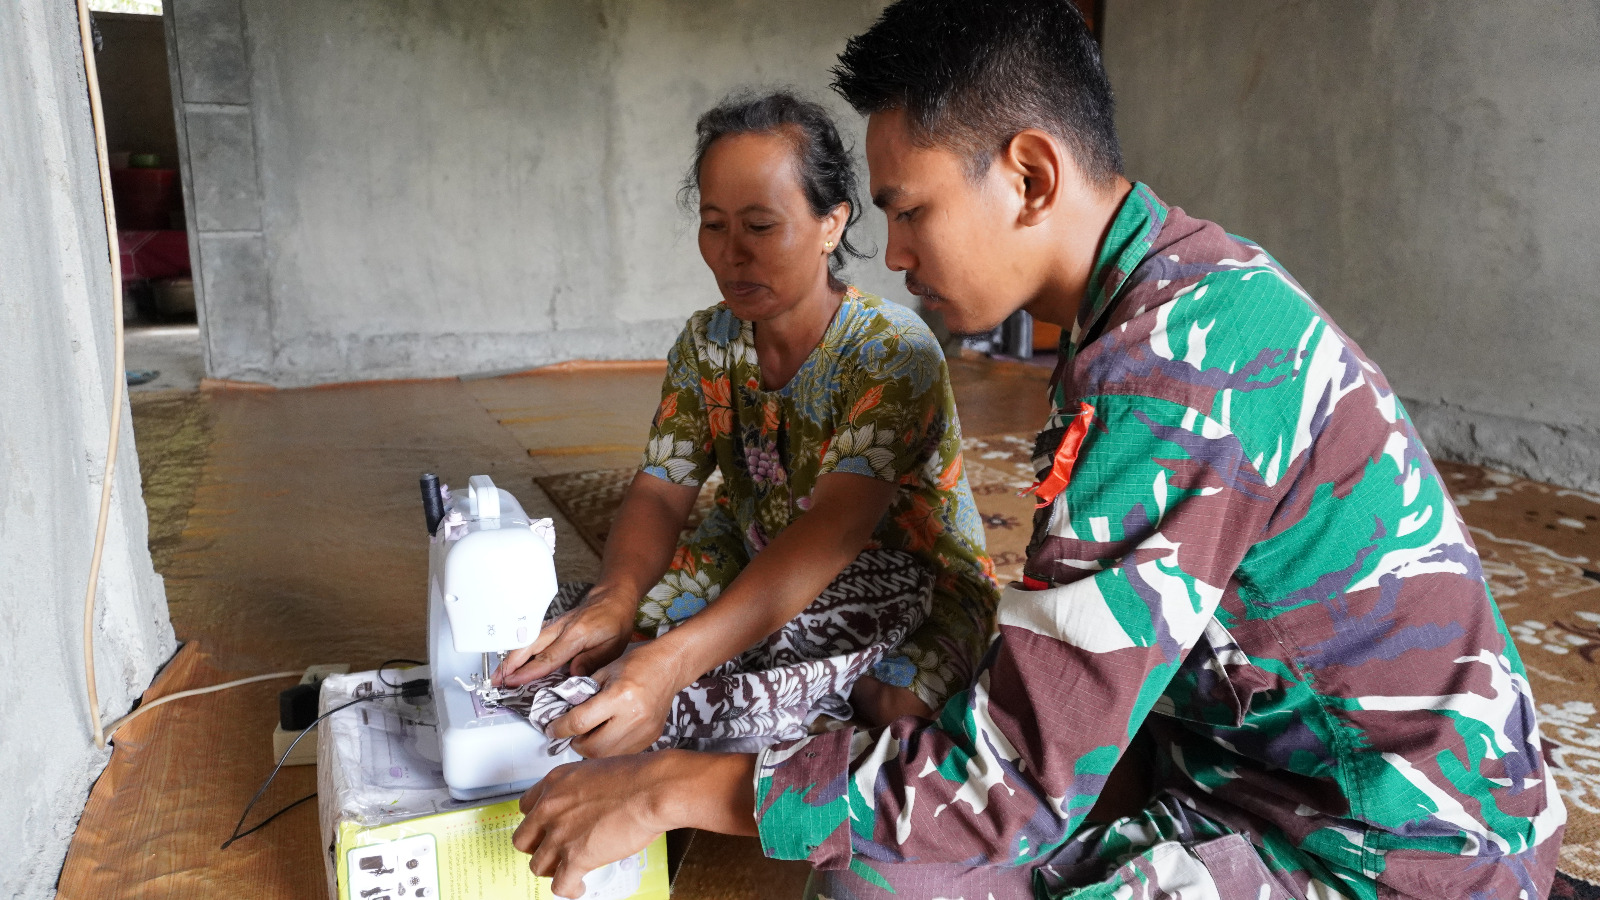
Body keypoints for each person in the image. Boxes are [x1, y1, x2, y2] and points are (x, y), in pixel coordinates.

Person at [511, 3, 1566, 898]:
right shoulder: (1155, 298)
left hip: (1388, 850)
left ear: (1027, 175)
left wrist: (671, 789)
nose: (897, 252)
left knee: (880, 867)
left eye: (909, 211)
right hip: (1240, 760)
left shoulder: (1174, 365)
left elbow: (1009, 782)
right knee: (885, 832)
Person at [494, 92, 998, 758]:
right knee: (591, 643)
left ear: (830, 224)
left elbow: (833, 530)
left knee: (893, 709)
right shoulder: (708, 342)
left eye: (760, 226)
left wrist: (676, 661)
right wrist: (617, 595)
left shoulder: (890, 351)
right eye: (714, 225)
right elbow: (660, 490)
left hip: (913, 576)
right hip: (759, 551)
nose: (732, 254)